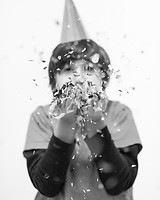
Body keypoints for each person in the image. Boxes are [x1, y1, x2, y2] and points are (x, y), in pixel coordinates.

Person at [23, 39, 142, 200]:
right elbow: (47, 186)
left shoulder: (119, 113)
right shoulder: (42, 116)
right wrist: (66, 124)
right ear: (54, 81)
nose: (78, 78)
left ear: (103, 78)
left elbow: (119, 183)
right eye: (68, 69)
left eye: (89, 68)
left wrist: (95, 123)